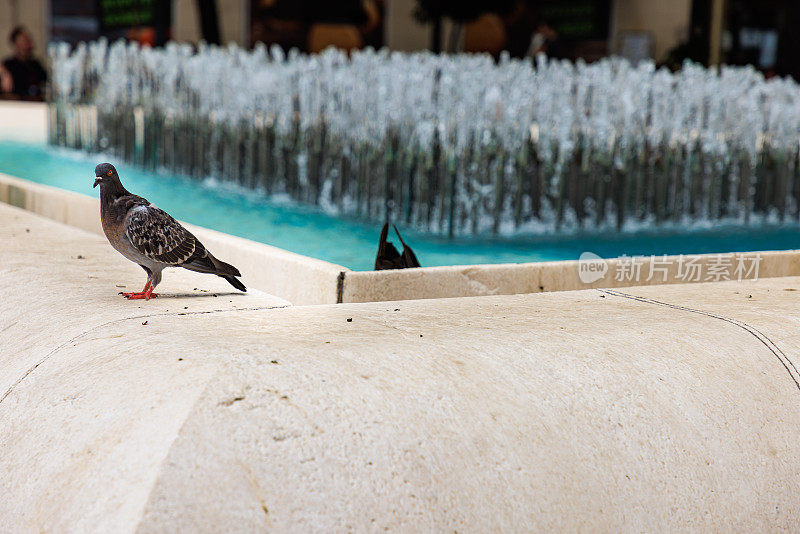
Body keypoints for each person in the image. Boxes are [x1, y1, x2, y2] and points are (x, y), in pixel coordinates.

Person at [2, 26, 47, 100]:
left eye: (27, 40)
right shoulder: (8, 65)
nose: (26, 44)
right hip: (16, 106)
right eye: (22, 41)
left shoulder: (36, 64)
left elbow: (45, 84)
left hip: (35, 104)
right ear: (15, 44)